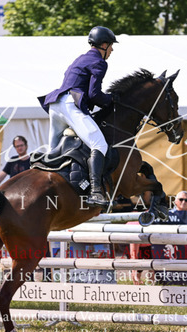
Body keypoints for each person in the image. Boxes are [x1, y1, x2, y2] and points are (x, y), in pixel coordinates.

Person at [38, 26, 118, 207]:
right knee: (99, 144)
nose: (112, 50)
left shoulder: (80, 58)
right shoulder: (99, 62)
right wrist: (111, 100)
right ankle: (96, 192)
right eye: (111, 46)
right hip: (70, 105)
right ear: (104, 45)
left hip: (55, 104)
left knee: (53, 152)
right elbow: (94, 94)